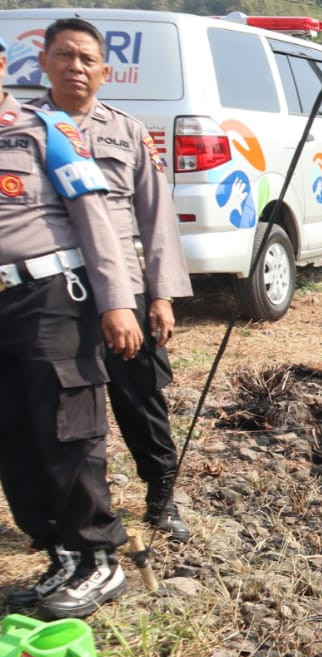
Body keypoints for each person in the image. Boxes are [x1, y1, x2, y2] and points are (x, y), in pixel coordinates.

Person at [28, 17, 195, 561]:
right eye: (64, 55)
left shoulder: (126, 131)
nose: (75, 67)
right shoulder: (26, 131)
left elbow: (156, 216)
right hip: (54, 293)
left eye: (86, 58)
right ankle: (69, 513)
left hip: (124, 285)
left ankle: (162, 495)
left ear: (105, 71)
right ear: (43, 62)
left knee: (140, 396)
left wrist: (161, 295)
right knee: (61, 409)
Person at [0, 42, 142, 619]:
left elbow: (96, 220)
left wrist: (117, 302)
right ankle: (59, 553)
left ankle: (98, 558)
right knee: (13, 436)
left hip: (48, 298)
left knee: (68, 430)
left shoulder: (45, 130)